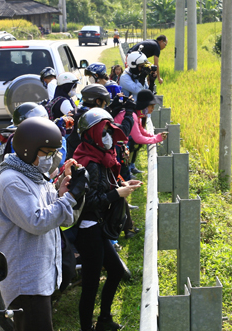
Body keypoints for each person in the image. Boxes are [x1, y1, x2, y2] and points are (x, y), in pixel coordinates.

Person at [0, 117, 89, 331]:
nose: (52, 158)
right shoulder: (12, 181)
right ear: (29, 149)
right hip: (26, 282)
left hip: (39, 275)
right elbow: (37, 221)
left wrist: (62, 192)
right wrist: (70, 198)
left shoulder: (35, 175)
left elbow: (54, 214)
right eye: (47, 152)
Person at [73, 108, 142, 331]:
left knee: (116, 271)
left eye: (109, 131)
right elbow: (89, 202)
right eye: (103, 132)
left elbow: (104, 186)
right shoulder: (89, 163)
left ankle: (104, 320)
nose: (108, 137)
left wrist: (121, 186)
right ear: (90, 135)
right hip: (88, 229)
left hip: (98, 227)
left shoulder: (100, 157)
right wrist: (117, 195)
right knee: (91, 285)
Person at [114, 89, 167, 178]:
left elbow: (141, 130)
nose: (153, 109)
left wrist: (154, 136)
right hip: (117, 145)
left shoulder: (136, 114)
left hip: (120, 143)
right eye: (152, 106)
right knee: (122, 174)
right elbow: (138, 138)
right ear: (145, 106)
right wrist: (157, 139)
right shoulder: (134, 115)